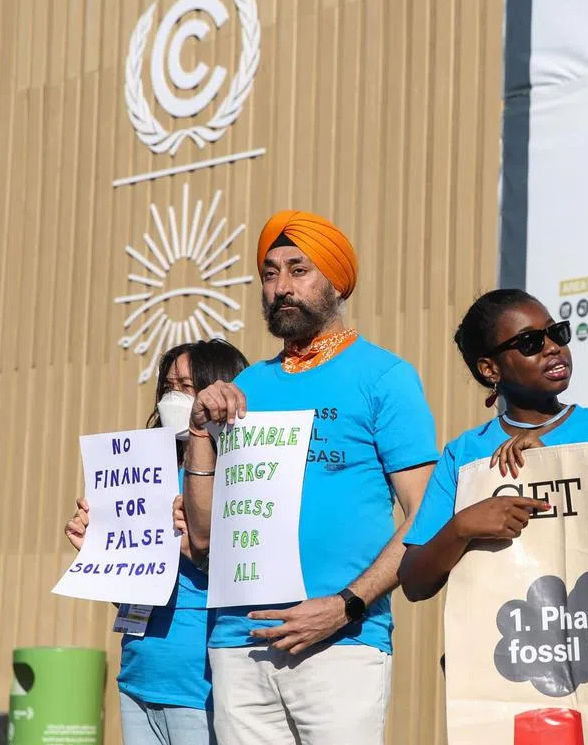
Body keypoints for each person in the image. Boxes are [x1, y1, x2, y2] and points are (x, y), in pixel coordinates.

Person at [180, 210, 438, 745]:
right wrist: (201, 430)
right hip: (238, 644)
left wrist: (346, 605)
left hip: (340, 642)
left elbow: (426, 514)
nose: (281, 287)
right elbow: (204, 540)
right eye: (270, 274)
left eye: (299, 270)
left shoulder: (384, 377)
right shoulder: (246, 387)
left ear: (337, 282)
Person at [398, 289, 588, 602]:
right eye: (530, 342)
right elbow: (414, 584)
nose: (553, 347)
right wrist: (462, 527)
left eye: (556, 332)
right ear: (490, 369)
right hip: (502, 630)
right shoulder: (462, 454)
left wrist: (551, 466)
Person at [63, 339, 249, 745]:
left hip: (198, 686)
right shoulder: (149, 471)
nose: (173, 397)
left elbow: (250, 578)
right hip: (138, 675)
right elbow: (136, 593)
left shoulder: (238, 476)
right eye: (167, 386)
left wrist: (197, 550)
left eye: (186, 386)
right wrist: (101, 552)